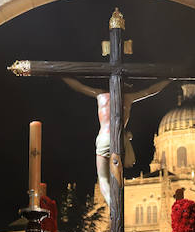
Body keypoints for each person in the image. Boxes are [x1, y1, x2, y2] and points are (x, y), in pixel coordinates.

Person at [62, 78, 171, 206]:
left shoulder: (100, 95)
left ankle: (112, 205)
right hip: (120, 138)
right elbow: (151, 90)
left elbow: (78, 86)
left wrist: (62, 76)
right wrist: (170, 78)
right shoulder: (129, 97)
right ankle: (118, 204)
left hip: (104, 137)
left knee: (103, 179)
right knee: (118, 173)